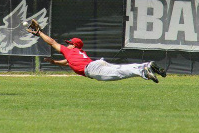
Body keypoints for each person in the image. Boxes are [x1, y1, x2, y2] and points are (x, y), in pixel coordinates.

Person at [28, 29, 166, 83]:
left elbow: (52, 42)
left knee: (119, 73)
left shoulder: (70, 51)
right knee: (119, 69)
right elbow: (67, 62)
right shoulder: (77, 53)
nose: (68, 45)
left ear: (75, 45)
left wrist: (39, 33)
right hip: (96, 64)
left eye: (70, 43)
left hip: (93, 69)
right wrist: (55, 62)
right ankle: (146, 66)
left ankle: (144, 71)